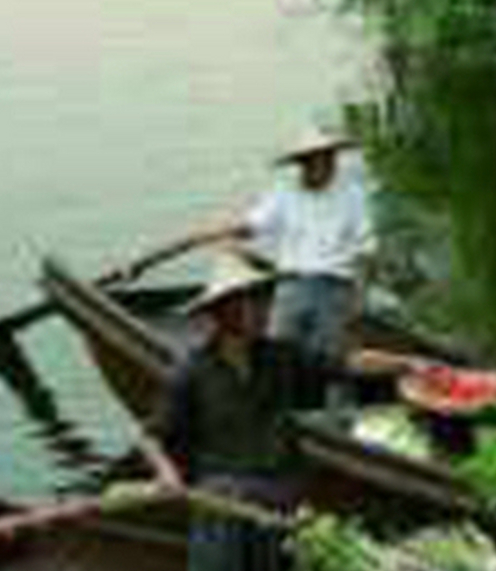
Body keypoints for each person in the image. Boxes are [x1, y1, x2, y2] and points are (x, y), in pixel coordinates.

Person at [155, 256, 301, 571]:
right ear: (225, 313)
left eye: (265, 300)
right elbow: (152, 436)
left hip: (276, 505)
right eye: (254, 303)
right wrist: (167, 475)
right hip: (224, 505)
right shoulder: (193, 371)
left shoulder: (277, 357)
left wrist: (407, 366)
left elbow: (341, 365)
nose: (264, 310)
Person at [138, 129, 375, 390]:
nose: (325, 165)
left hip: (335, 286)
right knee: (272, 353)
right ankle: (273, 407)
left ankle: (335, 418)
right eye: (317, 160)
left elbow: (365, 249)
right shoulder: (285, 194)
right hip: (292, 285)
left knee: (333, 361)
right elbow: (252, 225)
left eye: (329, 159)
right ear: (303, 164)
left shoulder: (352, 194)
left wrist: (359, 300)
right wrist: (209, 234)